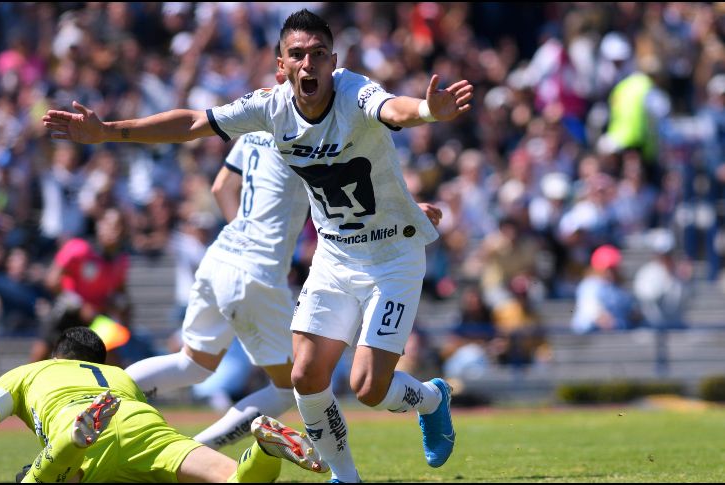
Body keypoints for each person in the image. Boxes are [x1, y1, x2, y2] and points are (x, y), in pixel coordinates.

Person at [42, 8, 471, 481]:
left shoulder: (355, 90)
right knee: (304, 377)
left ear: (333, 61)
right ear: (281, 67)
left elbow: (393, 109)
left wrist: (430, 111)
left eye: (319, 55)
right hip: (333, 255)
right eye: (298, 55)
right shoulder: (268, 109)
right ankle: (345, 477)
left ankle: (432, 397)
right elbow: (190, 123)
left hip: (392, 255)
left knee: (368, 386)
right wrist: (108, 133)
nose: (309, 64)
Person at [125, 128, 311, 450]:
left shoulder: (256, 128)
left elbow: (221, 185)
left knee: (192, 364)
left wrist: (244, 231)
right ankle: (197, 449)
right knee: (290, 386)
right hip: (257, 271)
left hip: (221, 255)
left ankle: (103, 397)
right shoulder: (311, 131)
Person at [0, 326, 327, 483]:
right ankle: (263, 450)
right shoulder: (120, 376)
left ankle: (70, 443)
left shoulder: (28, 373)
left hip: (84, 437)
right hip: (144, 425)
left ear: (56, 357)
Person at [28, 207, 132, 363]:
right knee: (39, 358)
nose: (114, 231)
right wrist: (79, 305)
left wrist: (119, 306)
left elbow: (120, 293)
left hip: (96, 319)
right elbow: (52, 280)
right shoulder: (79, 249)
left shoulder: (121, 261)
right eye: (109, 225)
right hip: (67, 312)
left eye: (119, 226)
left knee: (113, 360)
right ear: (99, 225)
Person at [571, 244, 642, 334]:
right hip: (590, 339)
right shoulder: (590, 285)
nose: (610, 272)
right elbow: (593, 311)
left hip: (616, 338)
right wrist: (605, 319)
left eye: (613, 268)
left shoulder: (618, 288)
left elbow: (631, 313)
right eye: (607, 268)